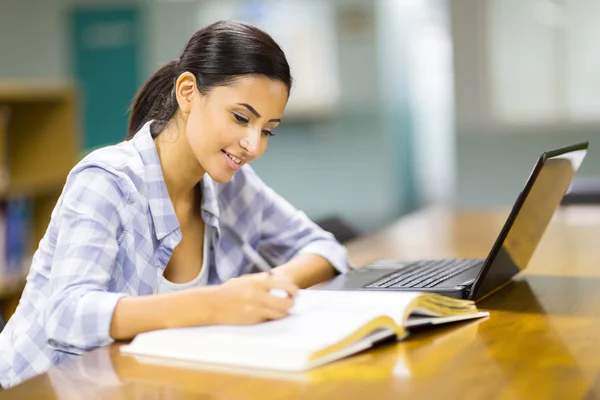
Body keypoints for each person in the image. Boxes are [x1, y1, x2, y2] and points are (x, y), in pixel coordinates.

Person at [0, 20, 348, 389]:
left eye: (267, 130)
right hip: (32, 388)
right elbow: (68, 315)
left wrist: (270, 286)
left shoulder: (232, 184)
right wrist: (217, 304)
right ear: (187, 92)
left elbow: (324, 247)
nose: (253, 145)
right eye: (241, 118)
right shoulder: (107, 179)